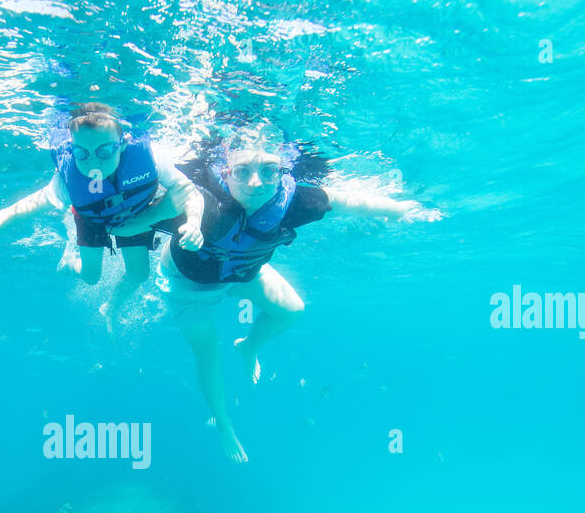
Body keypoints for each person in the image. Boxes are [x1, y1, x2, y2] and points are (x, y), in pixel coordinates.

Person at [113, 129, 441, 463]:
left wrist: (399, 209)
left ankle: (249, 347)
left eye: (268, 171)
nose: (256, 183)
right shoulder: (201, 203)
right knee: (209, 357)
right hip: (190, 285)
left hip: (244, 274)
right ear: (225, 173)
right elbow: (136, 217)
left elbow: (347, 202)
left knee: (292, 310)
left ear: (282, 172)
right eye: (242, 171)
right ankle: (225, 425)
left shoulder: (295, 202)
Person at [0, 103, 204, 333]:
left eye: (104, 151)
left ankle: (109, 307)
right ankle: (69, 261)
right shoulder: (66, 183)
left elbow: (187, 191)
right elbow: (11, 213)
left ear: (122, 146)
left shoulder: (152, 158)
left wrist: (193, 223)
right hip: (92, 218)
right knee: (91, 277)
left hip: (135, 213)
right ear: (72, 149)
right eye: (81, 153)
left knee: (139, 274)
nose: (93, 163)